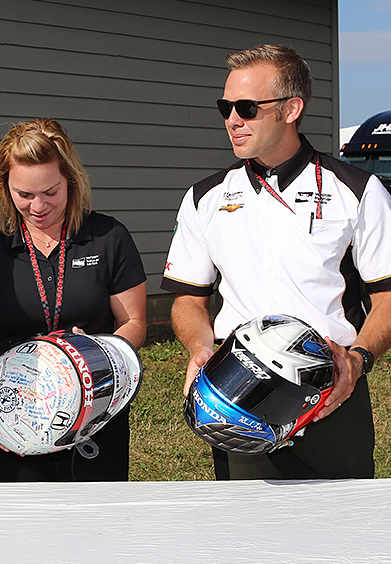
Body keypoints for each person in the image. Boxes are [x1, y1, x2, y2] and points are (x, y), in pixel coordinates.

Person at [162, 44, 391, 480]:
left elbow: (388, 296)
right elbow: (188, 301)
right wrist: (200, 349)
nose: (232, 119)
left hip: (330, 393)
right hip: (238, 390)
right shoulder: (204, 198)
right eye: (225, 106)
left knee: (340, 537)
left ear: (291, 109)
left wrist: (358, 360)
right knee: (248, 539)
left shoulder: (358, 191)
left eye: (247, 107)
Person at [0, 118, 147, 482]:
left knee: (100, 523)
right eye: (24, 195)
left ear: (71, 181)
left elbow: (134, 322)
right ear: (4, 187)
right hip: (19, 419)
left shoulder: (109, 237)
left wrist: (98, 354)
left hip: (97, 409)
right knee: (26, 529)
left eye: (51, 192)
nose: (38, 206)